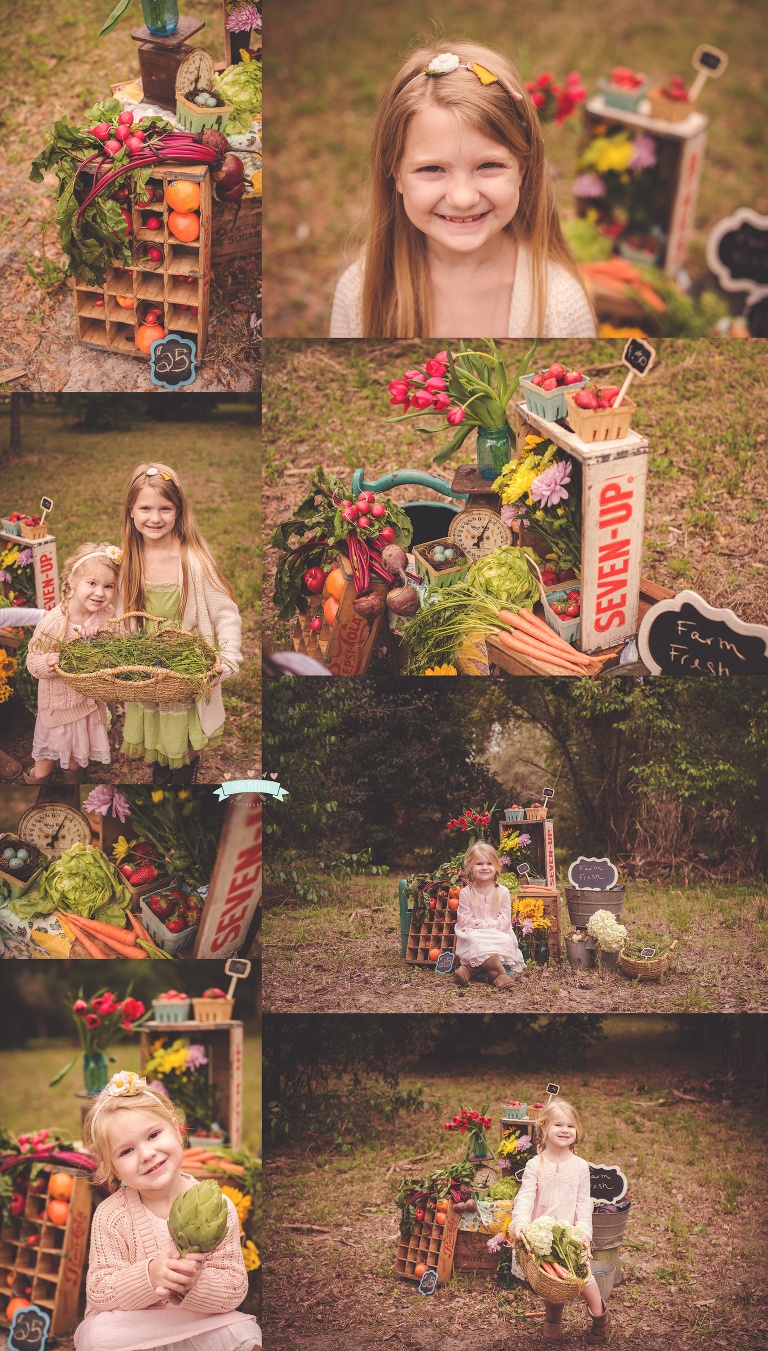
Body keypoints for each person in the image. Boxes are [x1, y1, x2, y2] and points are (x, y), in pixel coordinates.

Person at [330, 41, 596, 340]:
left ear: (522, 167)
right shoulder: (358, 296)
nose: (463, 198)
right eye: (432, 169)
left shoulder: (561, 307)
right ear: (395, 174)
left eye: (489, 165)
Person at [76, 1070, 261, 1351]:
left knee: (243, 1329)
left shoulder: (218, 1207)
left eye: (153, 1135)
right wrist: (149, 1276)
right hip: (136, 1328)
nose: (147, 1154)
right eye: (126, 1151)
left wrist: (194, 1283)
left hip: (194, 1321)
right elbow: (100, 1290)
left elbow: (234, 1288)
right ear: (114, 1168)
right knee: (97, 1335)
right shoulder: (111, 1215)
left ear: (176, 1129)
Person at [119, 463, 242, 785]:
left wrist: (226, 661)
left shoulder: (194, 561)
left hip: (187, 670)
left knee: (185, 740)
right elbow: (112, 616)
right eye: (145, 508)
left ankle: (183, 779)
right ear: (131, 511)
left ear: (179, 511)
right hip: (147, 670)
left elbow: (226, 614)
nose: (155, 518)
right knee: (158, 737)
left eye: (165, 508)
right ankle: (163, 778)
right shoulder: (125, 563)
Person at [510, 1099, 610, 1344]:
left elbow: (584, 1203)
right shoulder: (536, 1164)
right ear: (543, 1127)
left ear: (577, 1132)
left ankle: (600, 1317)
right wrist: (520, 1222)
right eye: (558, 1124)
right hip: (543, 1238)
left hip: (571, 1236)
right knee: (550, 1282)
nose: (565, 1130)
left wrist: (584, 1232)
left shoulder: (579, 1167)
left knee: (584, 1278)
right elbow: (525, 1198)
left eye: (571, 1126)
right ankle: (553, 1318)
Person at [24, 542, 121, 784]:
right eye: (92, 583)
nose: (100, 593)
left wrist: (105, 640)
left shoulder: (106, 616)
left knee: (78, 755)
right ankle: (38, 784)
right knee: (46, 756)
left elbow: (116, 650)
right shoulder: (54, 622)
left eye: (108, 586)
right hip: (57, 706)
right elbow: (32, 661)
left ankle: (72, 784)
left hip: (87, 705)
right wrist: (47, 662)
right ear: (72, 582)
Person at [453, 840, 524, 990]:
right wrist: (477, 926)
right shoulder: (466, 892)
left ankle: (471, 969)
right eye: (479, 864)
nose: (484, 867)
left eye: (489, 863)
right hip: (474, 932)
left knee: (505, 940)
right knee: (473, 939)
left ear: (496, 866)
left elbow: (505, 921)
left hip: (497, 931)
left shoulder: (502, 891)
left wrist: (487, 925)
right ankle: (498, 974)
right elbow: (464, 919)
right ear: (470, 867)